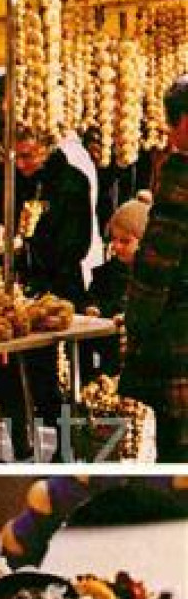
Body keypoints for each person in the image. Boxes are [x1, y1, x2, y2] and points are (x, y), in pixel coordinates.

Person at [0, 125, 96, 459]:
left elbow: (74, 246)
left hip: (55, 293)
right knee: (5, 378)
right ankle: (20, 445)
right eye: (16, 155)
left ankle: (64, 448)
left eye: (28, 155)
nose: (21, 163)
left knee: (51, 381)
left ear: (47, 148)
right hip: (9, 293)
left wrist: (25, 249)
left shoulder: (71, 183)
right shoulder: (7, 178)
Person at [122, 78, 188, 462]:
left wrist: (137, 324)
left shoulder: (181, 176)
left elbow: (156, 265)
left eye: (172, 121)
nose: (167, 130)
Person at [83, 194, 151, 378]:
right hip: (110, 358)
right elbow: (93, 296)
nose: (117, 246)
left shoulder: (153, 277)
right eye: (114, 239)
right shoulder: (105, 273)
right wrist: (93, 308)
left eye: (125, 241)